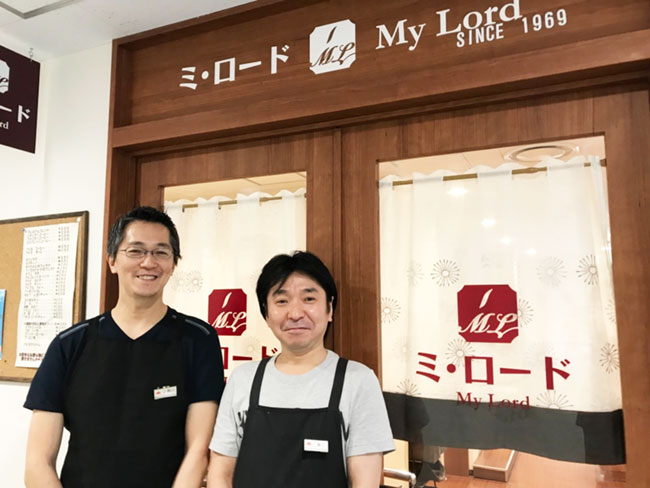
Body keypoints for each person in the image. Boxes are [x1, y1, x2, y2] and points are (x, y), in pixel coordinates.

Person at [24, 206, 225, 488]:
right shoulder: (69, 345)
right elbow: (37, 462)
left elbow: (198, 451)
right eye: (135, 251)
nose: (148, 262)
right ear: (112, 261)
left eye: (161, 252)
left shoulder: (198, 339)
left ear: (173, 264)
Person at [207, 251, 394, 488]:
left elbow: (365, 482)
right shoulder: (243, 379)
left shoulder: (358, 381)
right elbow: (220, 474)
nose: (295, 314)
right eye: (282, 301)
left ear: (329, 308)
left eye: (308, 299)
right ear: (266, 313)